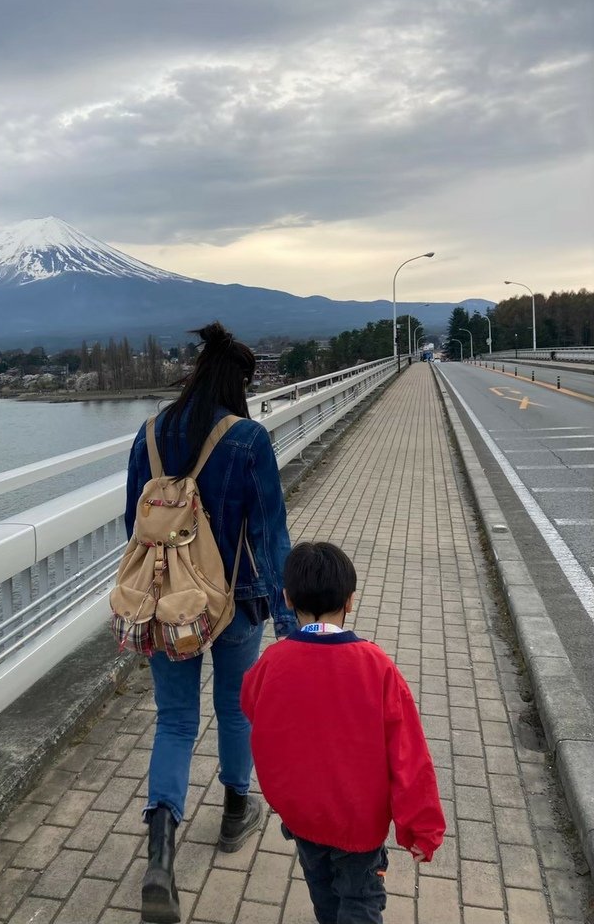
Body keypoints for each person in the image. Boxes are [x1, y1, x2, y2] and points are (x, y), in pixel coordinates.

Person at [125, 321, 297, 924]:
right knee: (235, 708)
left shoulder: (148, 434)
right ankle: (232, 813)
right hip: (237, 603)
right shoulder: (248, 438)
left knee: (174, 721)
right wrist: (290, 625)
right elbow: (271, 537)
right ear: (240, 382)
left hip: (165, 605)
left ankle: (160, 861)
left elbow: (135, 529)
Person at [241, 542, 445, 924]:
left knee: (321, 888)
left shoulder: (272, 663)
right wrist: (421, 827)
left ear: (286, 599)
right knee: (361, 898)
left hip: (302, 814)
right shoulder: (376, 667)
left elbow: (252, 708)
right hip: (358, 819)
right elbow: (409, 755)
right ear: (350, 601)